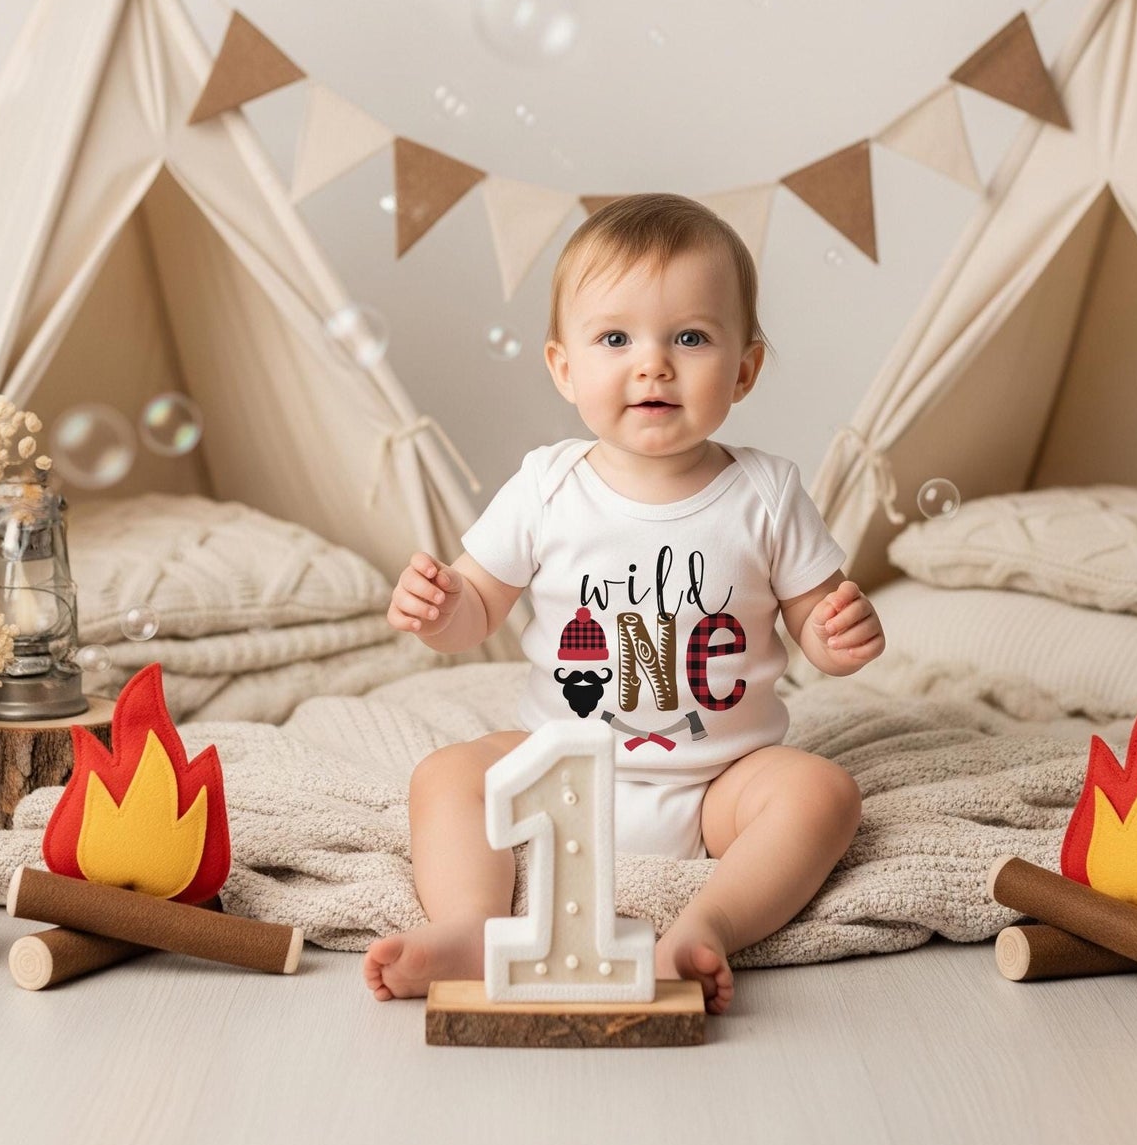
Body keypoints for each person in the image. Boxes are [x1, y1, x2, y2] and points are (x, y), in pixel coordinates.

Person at [364, 193, 883, 1013]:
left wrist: (838, 633)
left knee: (824, 794)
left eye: (690, 337)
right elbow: (478, 612)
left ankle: (707, 924)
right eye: (615, 338)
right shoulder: (547, 485)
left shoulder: (767, 492)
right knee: (446, 776)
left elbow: (815, 623)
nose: (653, 364)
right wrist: (442, 606)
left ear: (744, 369)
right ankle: (470, 923)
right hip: (557, 772)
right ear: (564, 367)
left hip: (720, 783)